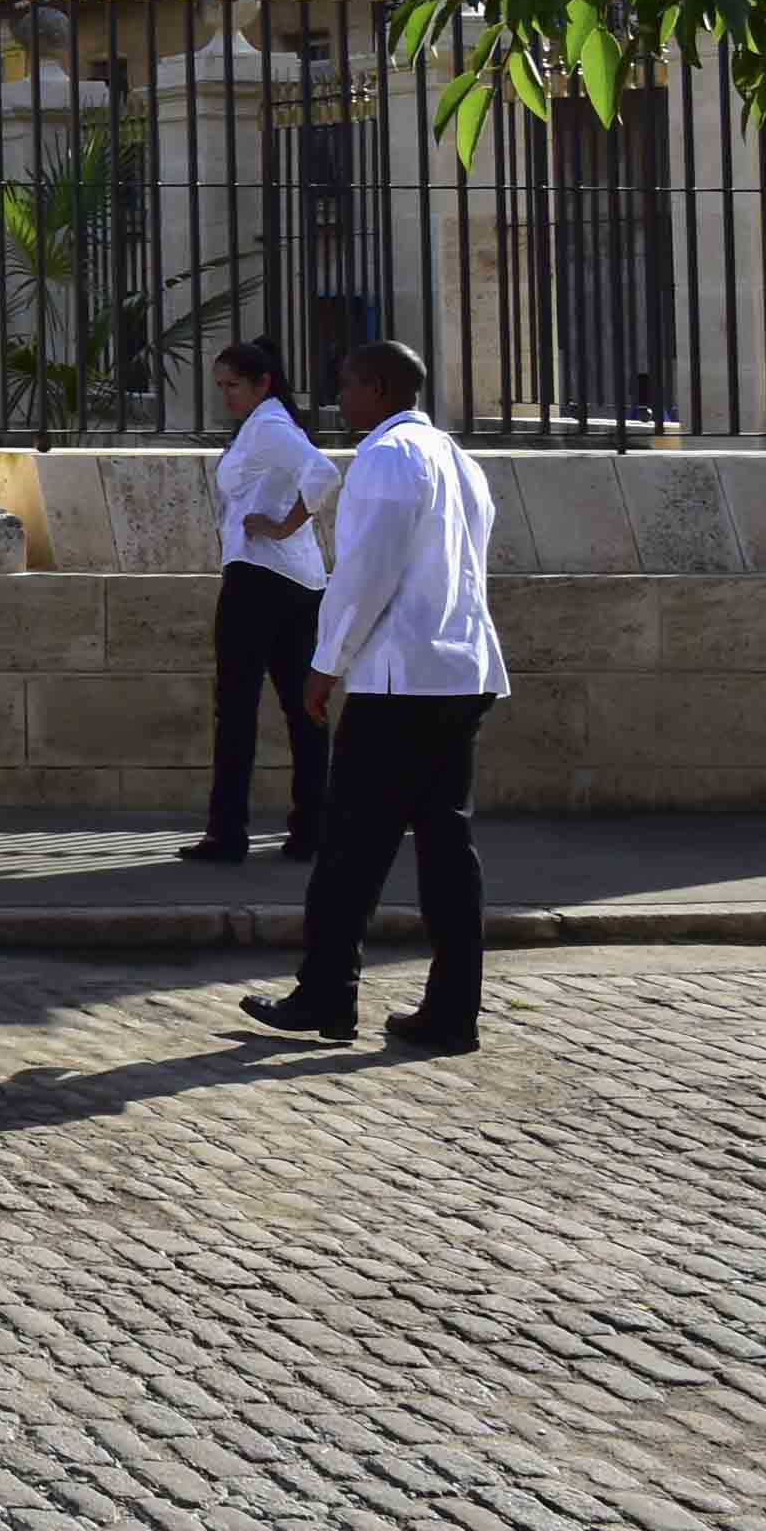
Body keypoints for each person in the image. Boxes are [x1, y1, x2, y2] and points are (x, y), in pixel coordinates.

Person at [245, 341, 507, 1053]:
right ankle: (453, 1010)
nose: (341, 397)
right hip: (461, 671)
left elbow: (367, 573)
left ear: (381, 386)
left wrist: (326, 664)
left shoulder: (390, 457)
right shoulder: (459, 460)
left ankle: (327, 994)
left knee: (351, 847)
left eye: (350, 383)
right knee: (448, 849)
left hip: (402, 679)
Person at [186, 337, 340, 867]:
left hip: (259, 577)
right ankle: (311, 828)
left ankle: (228, 834)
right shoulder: (267, 425)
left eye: (233, 385)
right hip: (296, 579)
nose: (225, 396)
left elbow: (324, 472)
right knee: (302, 708)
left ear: (262, 383)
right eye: (221, 386)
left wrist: (282, 525)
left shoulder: (270, 427)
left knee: (237, 708)